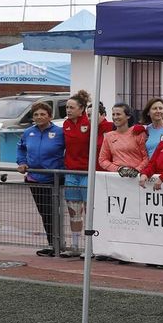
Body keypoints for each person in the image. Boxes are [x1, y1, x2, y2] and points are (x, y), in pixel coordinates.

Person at [59, 90, 108, 257]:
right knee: (74, 210)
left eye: (72, 107)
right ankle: (74, 245)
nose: (68, 110)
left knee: (89, 211)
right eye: (67, 107)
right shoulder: (65, 124)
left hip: (87, 173)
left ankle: (91, 246)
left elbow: (106, 128)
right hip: (71, 173)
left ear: (81, 109)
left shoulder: (90, 122)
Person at [16, 100, 65, 257]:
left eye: (43, 114)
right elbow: (21, 148)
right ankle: (52, 244)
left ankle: (59, 244)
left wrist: (63, 168)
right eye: (36, 114)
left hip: (54, 179)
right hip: (34, 179)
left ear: (50, 116)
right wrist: (22, 162)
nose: (39, 117)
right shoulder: (28, 132)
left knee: (53, 212)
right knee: (44, 212)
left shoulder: (59, 132)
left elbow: (70, 150)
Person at [98, 103, 148, 174]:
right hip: (117, 178)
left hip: (137, 178)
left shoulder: (138, 132)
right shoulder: (108, 136)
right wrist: (118, 169)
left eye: (118, 114)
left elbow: (146, 157)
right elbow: (102, 160)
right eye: (113, 114)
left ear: (128, 116)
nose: (115, 117)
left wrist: (137, 170)